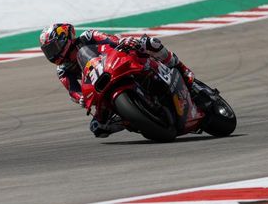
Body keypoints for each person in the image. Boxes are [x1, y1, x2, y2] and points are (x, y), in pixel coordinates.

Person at [39, 23, 195, 138]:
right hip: (100, 85)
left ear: (64, 38)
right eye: (48, 51)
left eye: (53, 47)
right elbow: (72, 90)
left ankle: (181, 68)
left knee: (150, 43)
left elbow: (110, 39)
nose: (52, 54)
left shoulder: (88, 36)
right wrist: (81, 98)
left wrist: (121, 43)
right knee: (98, 127)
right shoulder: (63, 70)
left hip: (117, 60)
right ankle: (132, 119)